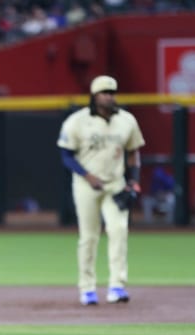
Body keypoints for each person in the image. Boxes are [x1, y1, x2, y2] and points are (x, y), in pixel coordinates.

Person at [57, 75, 145, 306]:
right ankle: (87, 288)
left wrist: (133, 180)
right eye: (105, 92)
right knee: (89, 237)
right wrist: (87, 175)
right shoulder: (77, 121)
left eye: (112, 92)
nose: (109, 96)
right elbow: (66, 154)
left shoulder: (127, 120)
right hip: (86, 186)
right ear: (94, 96)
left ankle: (117, 285)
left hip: (115, 184)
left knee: (119, 231)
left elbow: (134, 152)